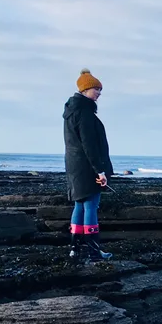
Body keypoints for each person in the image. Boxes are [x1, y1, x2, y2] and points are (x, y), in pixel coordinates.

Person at [64, 68, 114, 261]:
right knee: (91, 205)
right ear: (85, 90)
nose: (99, 93)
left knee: (80, 204)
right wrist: (100, 170)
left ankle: (75, 249)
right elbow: (89, 144)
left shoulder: (71, 110)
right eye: (96, 89)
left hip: (74, 166)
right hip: (86, 167)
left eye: (100, 90)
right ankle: (93, 251)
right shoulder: (84, 112)